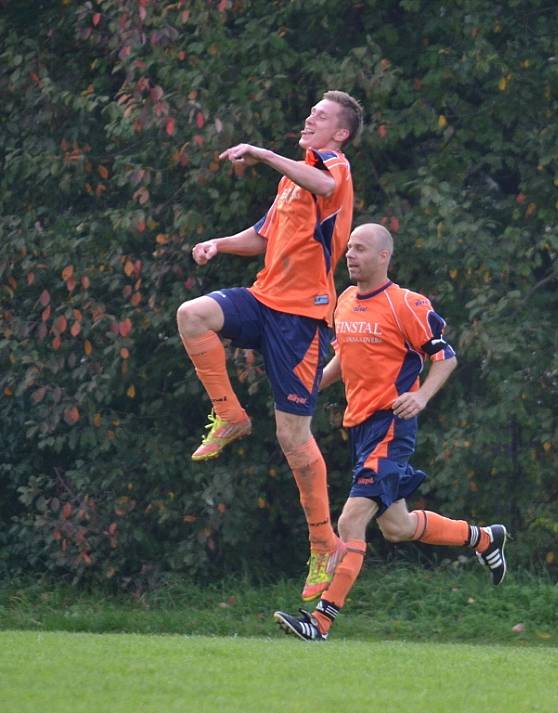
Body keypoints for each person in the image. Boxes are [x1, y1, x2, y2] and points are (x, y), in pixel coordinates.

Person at [273, 223, 508, 641]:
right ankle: (484, 539)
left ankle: (320, 622)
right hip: (360, 428)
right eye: (349, 249)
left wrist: (420, 398)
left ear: (383, 256)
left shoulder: (406, 304)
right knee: (397, 527)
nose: (350, 256)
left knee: (350, 521)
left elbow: (446, 358)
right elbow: (343, 361)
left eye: (360, 249)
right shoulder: (344, 301)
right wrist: (303, 390)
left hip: (391, 426)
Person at [176, 90, 364, 601]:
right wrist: (220, 244)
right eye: (310, 112)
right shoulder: (291, 179)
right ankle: (229, 414)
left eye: (320, 116)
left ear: (340, 133)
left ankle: (324, 543)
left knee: (293, 438)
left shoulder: (333, 169)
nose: (309, 118)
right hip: (264, 300)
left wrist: (259, 153)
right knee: (193, 315)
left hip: (302, 320)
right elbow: (263, 235)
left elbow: (322, 181)